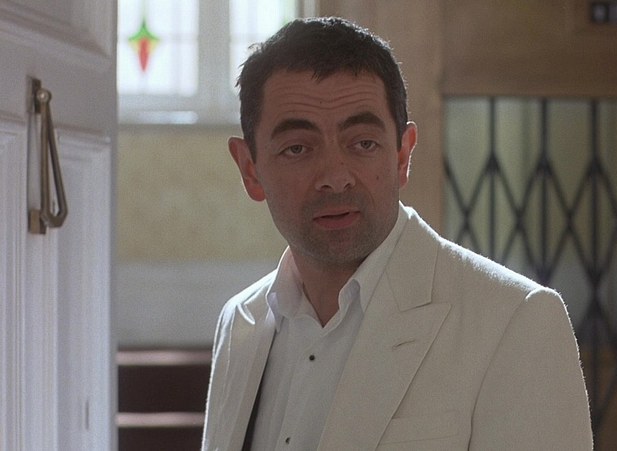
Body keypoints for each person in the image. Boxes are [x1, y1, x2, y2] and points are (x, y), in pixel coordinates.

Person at [202, 16, 592, 450]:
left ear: (403, 154)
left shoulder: (516, 321)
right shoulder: (241, 323)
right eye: (298, 148)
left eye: (363, 143)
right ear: (250, 169)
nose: (335, 177)